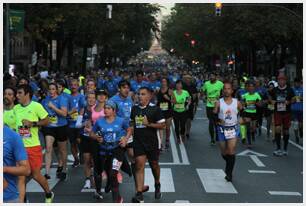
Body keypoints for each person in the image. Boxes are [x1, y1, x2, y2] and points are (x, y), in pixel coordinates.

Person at [14, 84, 54, 203]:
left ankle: (48, 193)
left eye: (20, 93)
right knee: (21, 177)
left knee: (36, 175)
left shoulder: (36, 106)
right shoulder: (16, 108)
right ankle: (23, 200)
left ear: (27, 94)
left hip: (33, 147)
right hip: (19, 147)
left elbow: (47, 120)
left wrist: (33, 123)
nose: (17, 95)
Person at [89, 100, 131, 202]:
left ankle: (117, 199)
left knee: (113, 173)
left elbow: (129, 129)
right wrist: (96, 138)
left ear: (114, 110)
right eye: (105, 108)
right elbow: (91, 133)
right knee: (107, 172)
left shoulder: (121, 121)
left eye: (108, 108)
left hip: (117, 151)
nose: (105, 110)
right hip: (104, 151)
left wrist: (125, 138)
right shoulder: (99, 121)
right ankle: (108, 186)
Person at [130, 87, 166, 203]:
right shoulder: (134, 109)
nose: (140, 96)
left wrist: (148, 124)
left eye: (143, 94)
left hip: (152, 142)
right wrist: (127, 137)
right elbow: (132, 124)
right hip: (138, 142)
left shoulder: (155, 109)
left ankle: (157, 183)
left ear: (149, 96)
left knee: (154, 165)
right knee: (139, 165)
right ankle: (139, 193)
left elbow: (163, 125)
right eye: (139, 94)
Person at [214, 81, 243, 182]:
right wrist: (218, 120)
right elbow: (213, 116)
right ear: (223, 91)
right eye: (225, 89)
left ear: (232, 90)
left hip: (233, 129)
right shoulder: (218, 102)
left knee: (231, 150)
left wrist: (241, 118)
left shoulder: (237, 102)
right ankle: (228, 163)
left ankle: (229, 173)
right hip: (221, 129)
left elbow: (243, 111)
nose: (226, 91)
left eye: (228, 89)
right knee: (224, 152)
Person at [41, 83, 68, 180]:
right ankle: (47, 173)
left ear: (56, 90)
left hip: (61, 126)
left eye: (53, 89)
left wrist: (53, 107)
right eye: (50, 89)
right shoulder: (45, 100)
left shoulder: (62, 99)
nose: (51, 91)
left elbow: (64, 114)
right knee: (48, 148)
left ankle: (64, 169)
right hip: (49, 127)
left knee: (62, 150)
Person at [3, 126, 31, 203]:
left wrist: (4, 169)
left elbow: (25, 171)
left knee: (35, 174)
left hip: (8, 198)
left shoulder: (12, 136)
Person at [269, 74, 295, 156]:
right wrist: (271, 101)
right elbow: (269, 96)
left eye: (283, 80)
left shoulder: (289, 90)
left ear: (285, 81)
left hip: (287, 112)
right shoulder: (275, 90)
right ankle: (278, 148)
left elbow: (294, 99)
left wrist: (289, 102)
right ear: (278, 81)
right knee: (277, 128)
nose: (281, 81)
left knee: (286, 130)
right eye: (280, 80)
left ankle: (285, 149)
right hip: (278, 112)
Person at [79, 91, 96, 189]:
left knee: (94, 160)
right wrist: (84, 123)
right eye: (89, 98)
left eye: (93, 98)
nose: (91, 99)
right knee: (86, 160)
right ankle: (87, 180)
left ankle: (95, 175)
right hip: (85, 137)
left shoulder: (98, 110)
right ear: (86, 99)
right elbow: (77, 124)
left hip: (95, 138)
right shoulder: (83, 110)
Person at [67, 79, 86, 168]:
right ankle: (76, 159)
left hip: (79, 123)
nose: (73, 86)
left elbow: (83, 107)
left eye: (75, 85)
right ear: (70, 86)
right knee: (72, 143)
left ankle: (81, 153)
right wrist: (70, 112)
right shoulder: (67, 97)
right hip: (70, 124)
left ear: (78, 86)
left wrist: (79, 117)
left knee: (79, 140)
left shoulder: (81, 96)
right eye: (72, 85)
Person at [201, 73, 224, 145]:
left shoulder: (220, 84)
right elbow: (202, 91)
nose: (211, 77)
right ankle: (212, 139)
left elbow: (225, 92)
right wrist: (204, 96)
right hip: (209, 106)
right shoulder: (206, 83)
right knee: (211, 122)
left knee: (217, 122)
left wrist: (221, 97)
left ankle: (217, 135)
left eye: (212, 76)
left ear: (216, 77)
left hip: (218, 106)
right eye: (210, 76)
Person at [241, 81, 262, 148]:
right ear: (248, 88)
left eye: (252, 87)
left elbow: (260, 104)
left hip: (254, 113)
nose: (251, 88)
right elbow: (241, 103)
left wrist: (257, 103)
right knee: (248, 128)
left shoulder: (257, 95)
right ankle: (249, 143)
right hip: (247, 113)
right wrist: (243, 104)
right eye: (249, 87)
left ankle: (253, 134)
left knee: (253, 128)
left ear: (254, 88)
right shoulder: (245, 95)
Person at [156, 77, 173, 149]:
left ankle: (167, 140)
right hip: (160, 111)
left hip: (168, 111)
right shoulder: (157, 90)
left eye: (164, 82)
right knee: (160, 128)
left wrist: (168, 98)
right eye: (162, 81)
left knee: (168, 128)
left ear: (167, 83)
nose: (163, 83)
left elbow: (174, 101)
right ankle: (161, 143)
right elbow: (154, 98)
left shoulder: (170, 91)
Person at [182, 74, 198, 139]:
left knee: (189, 119)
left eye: (189, 78)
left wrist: (192, 102)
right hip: (182, 104)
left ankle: (188, 132)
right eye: (186, 78)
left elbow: (194, 95)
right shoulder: (182, 86)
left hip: (190, 104)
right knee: (183, 119)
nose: (187, 79)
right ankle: (183, 130)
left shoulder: (193, 86)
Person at [291, 78, 303, 144]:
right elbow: (289, 98)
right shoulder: (292, 89)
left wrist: (301, 98)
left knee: (301, 125)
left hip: (302, 110)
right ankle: (296, 137)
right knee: (295, 124)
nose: (297, 84)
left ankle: (301, 131)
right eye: (295, 83)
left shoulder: (303, 89)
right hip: (294, 110)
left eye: (298, 83)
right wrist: (292, 100)